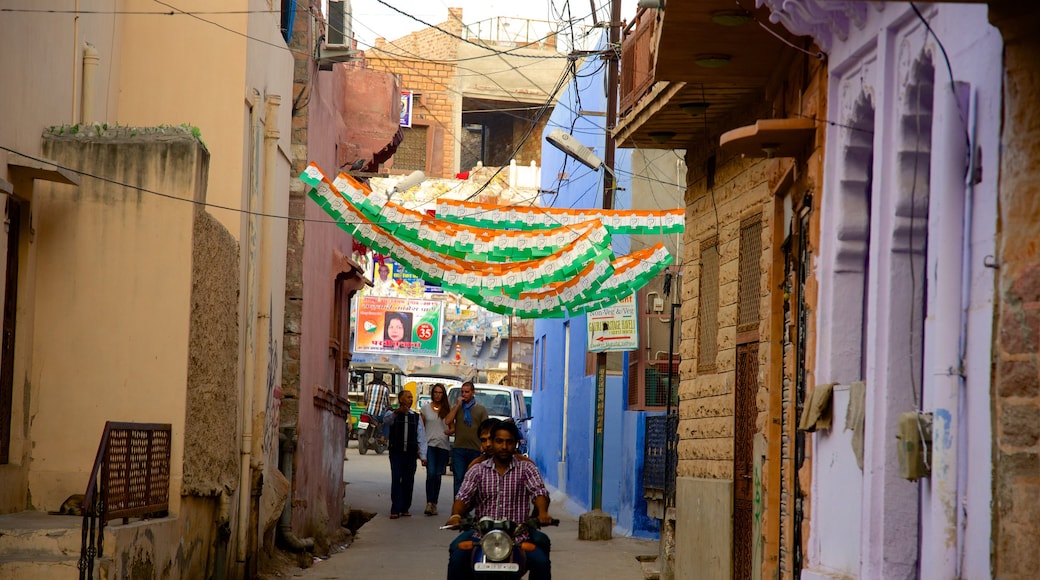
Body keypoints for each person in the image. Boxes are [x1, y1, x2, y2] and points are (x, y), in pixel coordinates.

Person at [445, 420, 553, 580]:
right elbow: (463, 496)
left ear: (516, 444)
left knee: (541, 562)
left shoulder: (526, 468)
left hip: (517, 537)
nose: (504, 446)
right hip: (482, 537)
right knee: (456, 558)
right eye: (499, 441)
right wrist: (455, 516)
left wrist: (543, 513)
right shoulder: (477, 470)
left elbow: (539, 492)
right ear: (492, 442)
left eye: (509, 442)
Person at [383, 390, 427, 518]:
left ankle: (405, 507)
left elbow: (422, 437)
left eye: (411, 397)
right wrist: (397, 411)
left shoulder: (416, 416)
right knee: (396, 479)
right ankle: (395, 509)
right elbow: (386, 421)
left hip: (410, 454)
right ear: (401, 399)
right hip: (396, 453)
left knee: (408, 480)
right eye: (408, 397)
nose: (410, 399)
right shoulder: (393, 414)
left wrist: (423, 456)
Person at [445, 381, 488, 496]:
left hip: (475, 450)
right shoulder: (458, 408)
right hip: (459, 449)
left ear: (473, 393)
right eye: (462, 392)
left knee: (472, 481)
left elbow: (486, 430)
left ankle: (467, 508)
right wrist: (457, 405)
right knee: (458, 478)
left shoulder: (481, 410)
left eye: (467, 392)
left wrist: (483, 446)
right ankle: (457, 508)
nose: (464, 394)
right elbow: (448, 421)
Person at [420, 383, 452, 516]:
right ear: (432, 394)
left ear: (443, 394)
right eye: (436, 392)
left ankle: (434, 503)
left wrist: (449, 431)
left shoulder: (447, 410)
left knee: (438, 476)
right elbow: (420, 429)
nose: (438, 395)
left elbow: (453, 427)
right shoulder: (425, 409)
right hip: (430, 445)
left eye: (440, 393)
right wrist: (420, 449)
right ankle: (428, 502)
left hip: (443, 446)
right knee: (431, 474)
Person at [364, 372, 392, 441]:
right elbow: (387, 403)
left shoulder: (367, 387)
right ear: (382, 378)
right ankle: (383, 438)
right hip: (378, 414)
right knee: (388, 421)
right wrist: (389, 407)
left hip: (368, 412)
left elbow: (365, 399)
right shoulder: (385, 389)